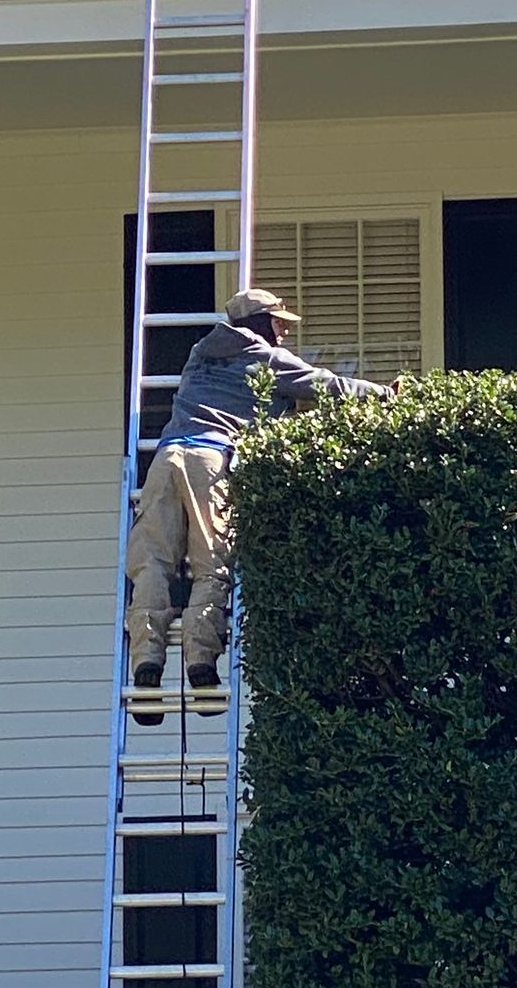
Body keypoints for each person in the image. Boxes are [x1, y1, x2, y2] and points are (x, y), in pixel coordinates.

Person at [124, 286, 388, 719]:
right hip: (209, 460)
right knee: (212, 561)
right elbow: (327, 385)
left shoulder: (199, 353)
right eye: (278, 323)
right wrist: (384, 395)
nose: (283, 333)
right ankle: (200, 663)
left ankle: (146, 662)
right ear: (258, 323)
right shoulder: (264, 357)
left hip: (166, 458)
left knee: (152, 562)